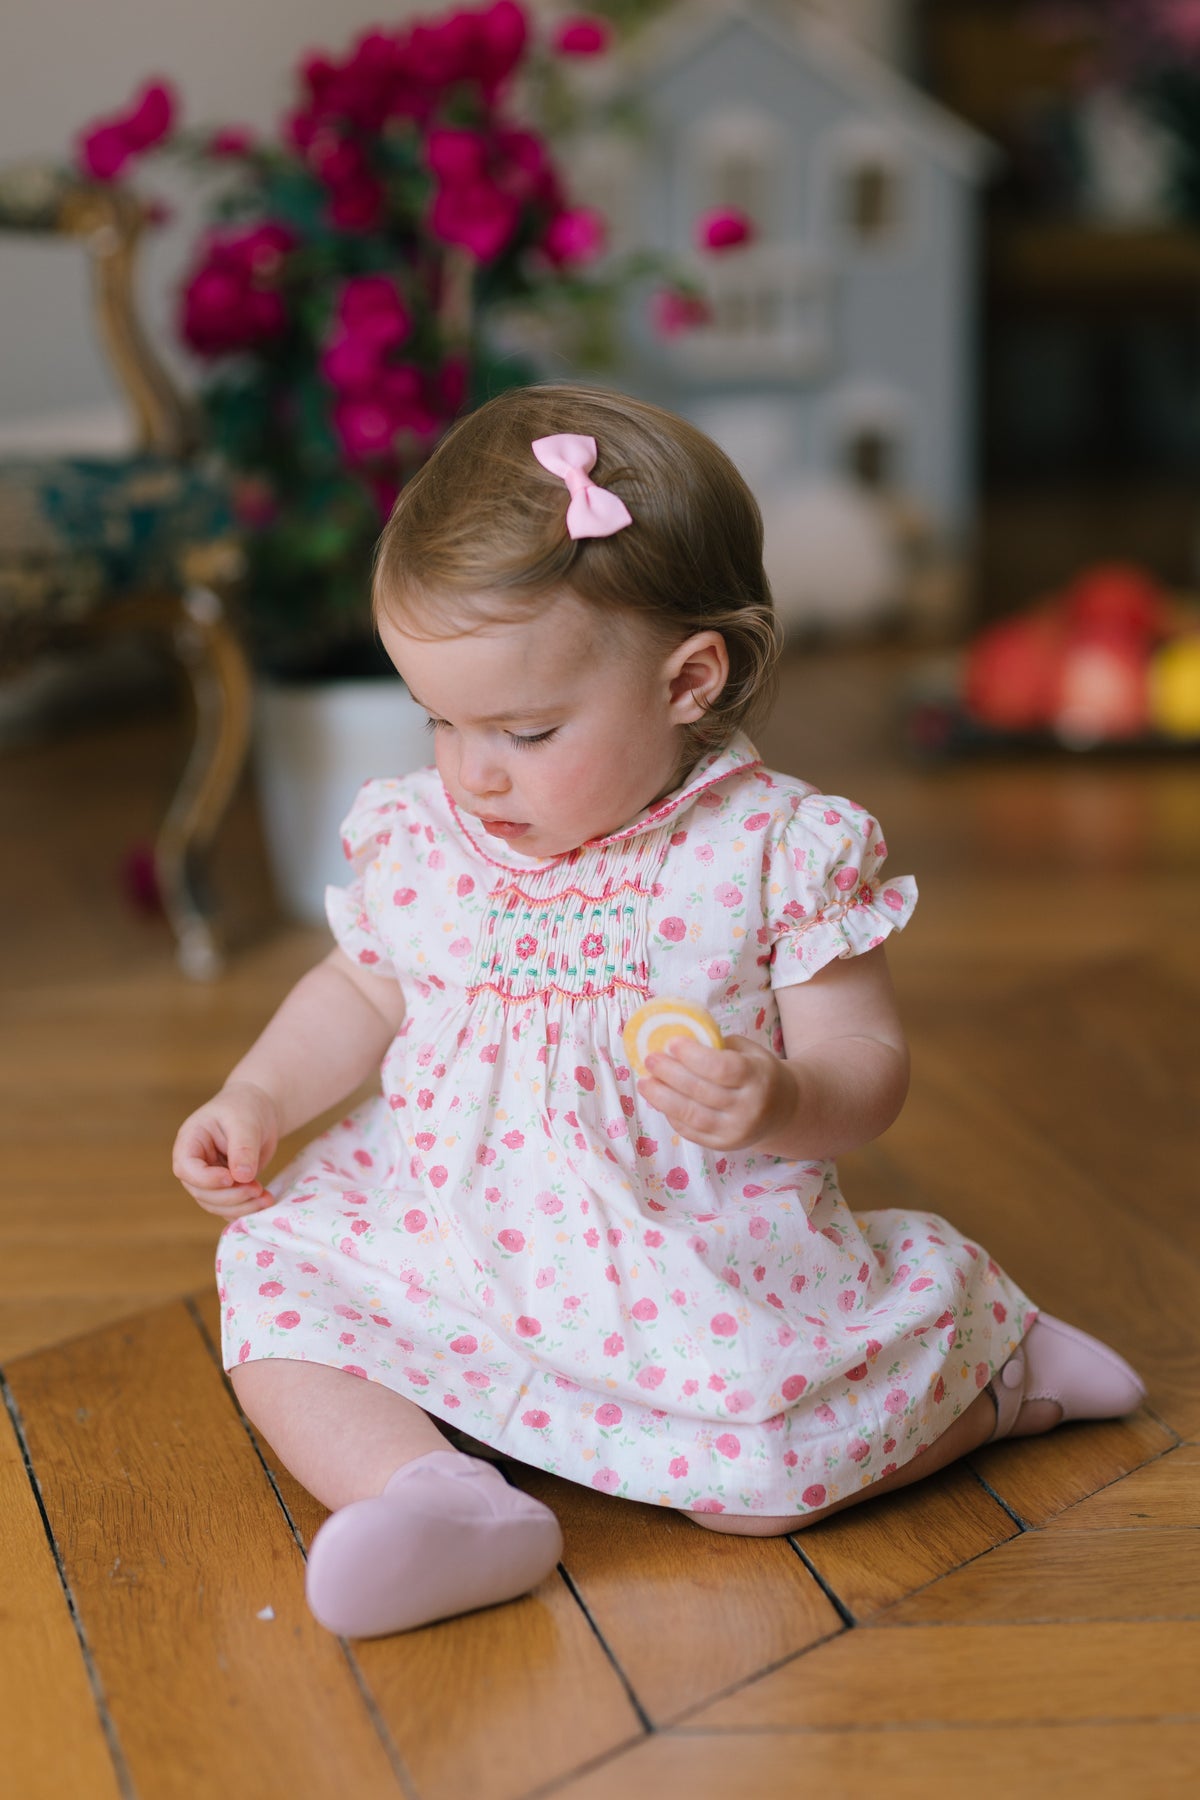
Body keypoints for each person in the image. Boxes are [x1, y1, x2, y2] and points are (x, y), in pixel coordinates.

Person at [173, 383, 1145, 1639]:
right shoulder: (423, 834)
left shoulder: (770, 851)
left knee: (762, 1486)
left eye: (525, 730)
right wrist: (258, 1094)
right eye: (439, 721)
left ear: (688, 680)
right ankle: (433, 1499)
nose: (471, 772)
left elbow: (866, 1058)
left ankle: (991, 1371)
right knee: (281, 1290)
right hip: (441, 1219)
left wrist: (784, 1096)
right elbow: (363, 984)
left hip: (676, 1256)